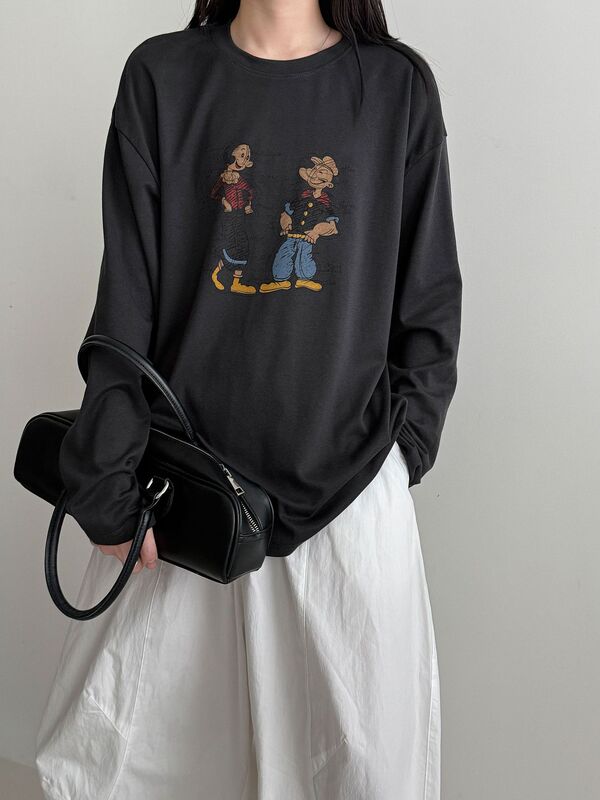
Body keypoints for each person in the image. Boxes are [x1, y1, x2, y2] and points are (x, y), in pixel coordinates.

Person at [34, 1, 462, 798]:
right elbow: (126, 301)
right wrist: (107, 481)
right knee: (133, 771)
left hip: (349, 500)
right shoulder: (162, 76)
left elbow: (428, 295)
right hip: (181, 504)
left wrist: (405, 452)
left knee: (362, 774)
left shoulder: (395, 87)